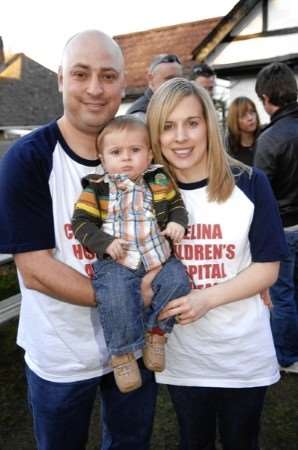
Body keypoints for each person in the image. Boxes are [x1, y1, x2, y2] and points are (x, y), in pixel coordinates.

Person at [0, 30, 158, 450]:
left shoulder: (142, 155)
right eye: (81, 74)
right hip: (61, 355)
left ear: (123, 84)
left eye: (107, 76)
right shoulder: (29, 158)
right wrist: (128, 298)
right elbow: (35, 271)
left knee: (130, 442)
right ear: (60, 79)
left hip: (135, 344)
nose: (94, 89)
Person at [146, 77, 288, 450]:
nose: (180, 137)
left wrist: (206, 298)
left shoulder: (250, 182)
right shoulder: (147, 194)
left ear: (209, 123)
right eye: (168, 126)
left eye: (191, 123)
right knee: (194, 441)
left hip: (242, 350)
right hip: (184, 354)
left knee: (243, 441)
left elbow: (267, 267)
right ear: (155, 135)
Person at [72, 114, 190, 393]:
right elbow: (81, 223)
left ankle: (157, 332)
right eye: (116, 152)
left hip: (157, 254)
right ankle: (122, 353)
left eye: (135, 151)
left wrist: (177, 223)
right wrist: (104, 242)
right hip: (118, 260)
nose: (126, 158)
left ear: (149, 154)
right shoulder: (97, 187)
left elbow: (177, 206)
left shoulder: (159, 179)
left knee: (179, 281)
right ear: (102, 158)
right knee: (114, 296)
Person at [254, 62, 298, 373]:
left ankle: (285, 357)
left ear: (267, 98)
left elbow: (261, 194)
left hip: (285, 228)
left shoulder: (271, 138)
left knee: (282, 296)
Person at [126, 53, 183, 118]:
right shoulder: (140, 115)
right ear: (151, 79)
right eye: (169, 79)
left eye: (179, 79)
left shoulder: (184, 104)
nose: (176, 84)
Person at [225, 96, 261, 166]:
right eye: (243, 115)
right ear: (235, 120)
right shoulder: (228, 149)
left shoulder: (266, 140)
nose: (250, 118)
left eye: (252, 112)